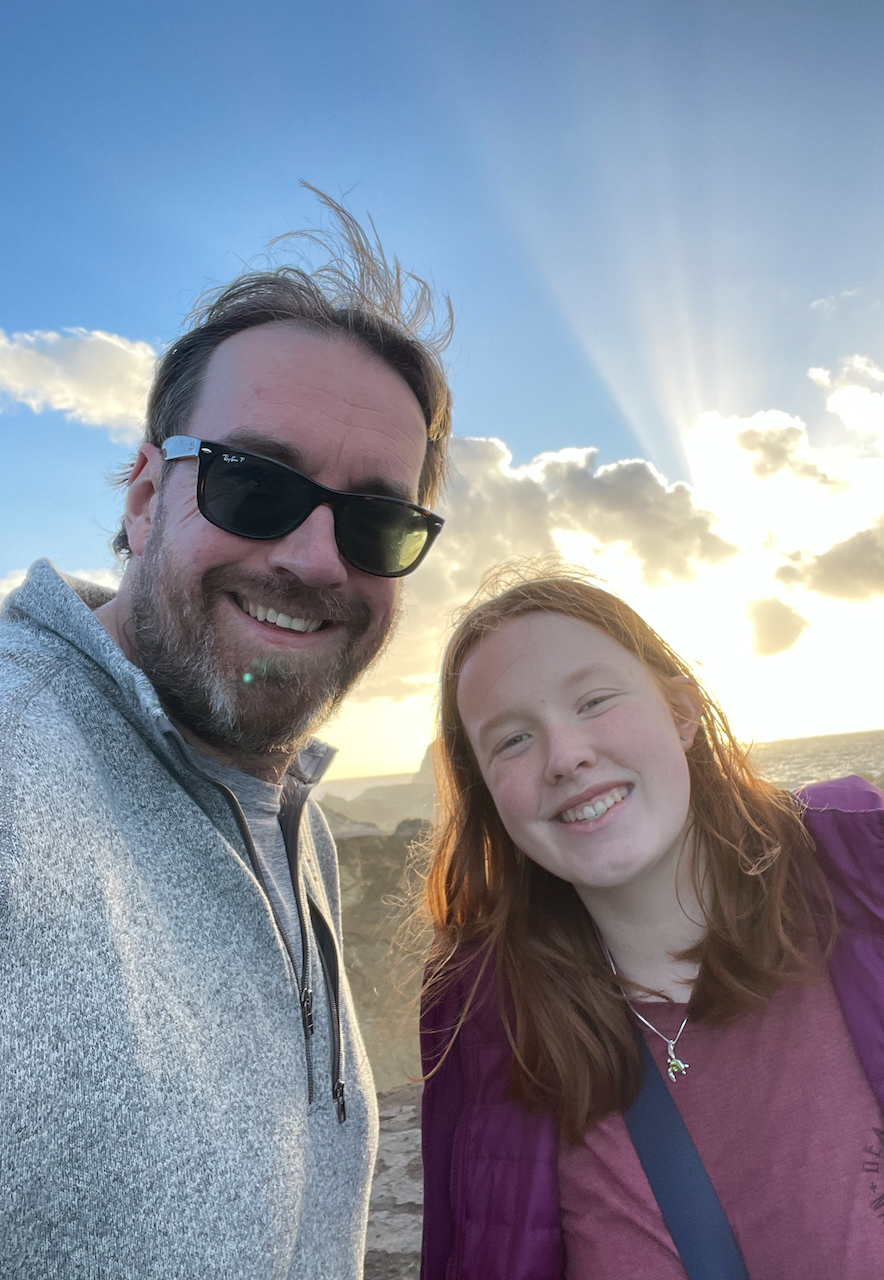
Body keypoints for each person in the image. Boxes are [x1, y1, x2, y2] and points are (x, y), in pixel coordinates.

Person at [0, 193, 452, 1279]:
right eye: (254, 481)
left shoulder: (296, 818)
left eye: (376, 519)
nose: (312, 558)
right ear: (147, 493)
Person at [418, 566, 884, 1279]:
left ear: (681, 710)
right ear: (490, 797)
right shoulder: (484, 1037)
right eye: (512, 741)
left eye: (595, 700)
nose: (566, 755)